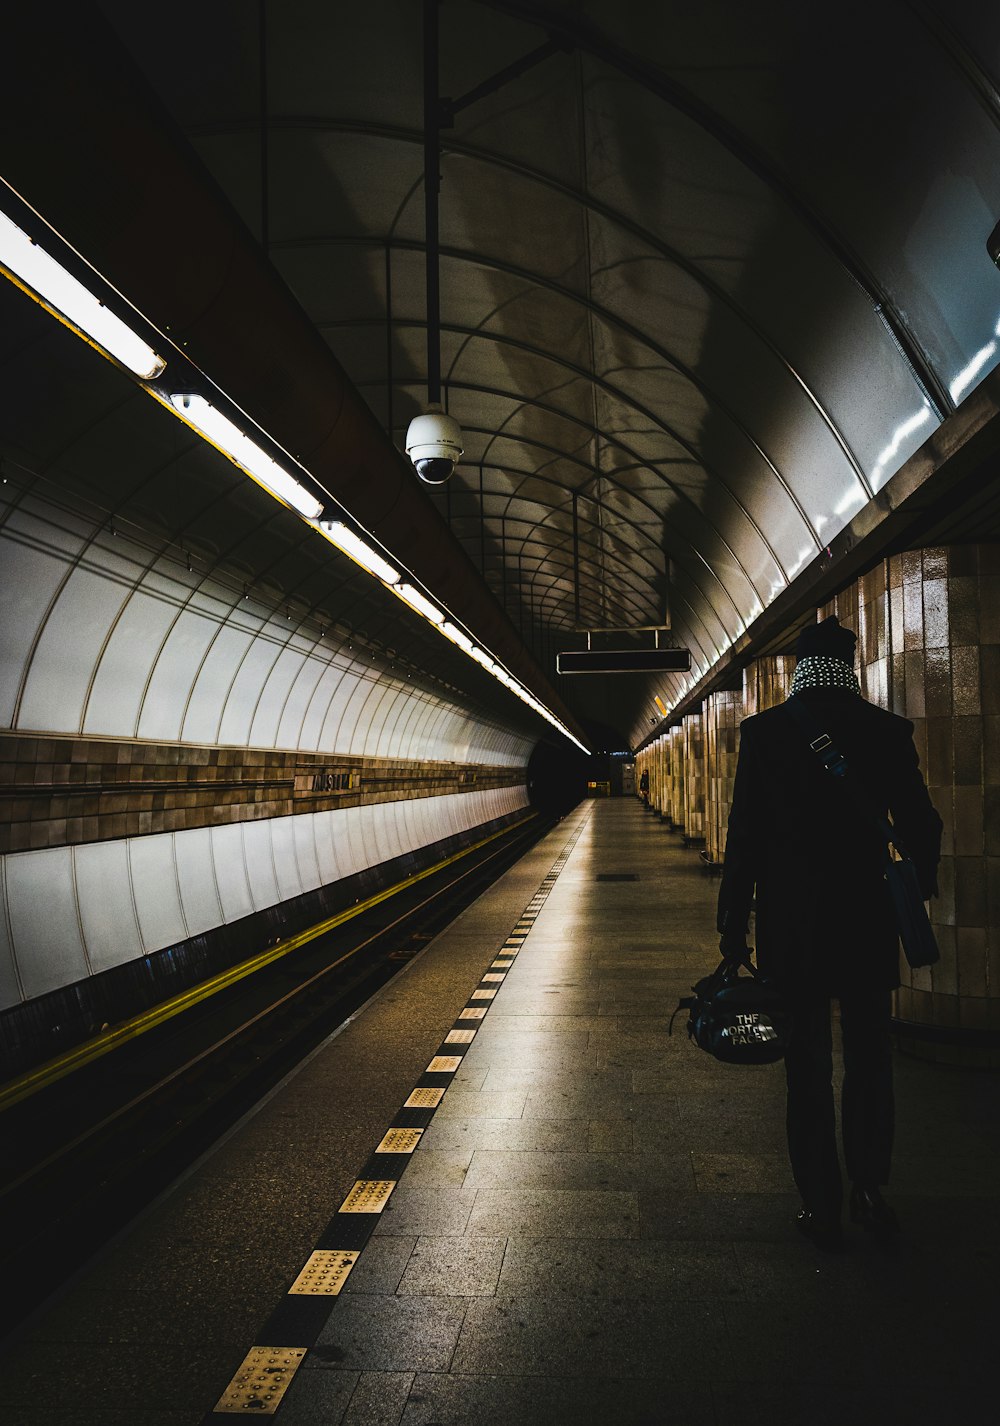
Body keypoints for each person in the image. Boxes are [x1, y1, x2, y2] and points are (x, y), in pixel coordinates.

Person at [717, 616, 942, 1250]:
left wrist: (733, 928)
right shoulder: (887, 732)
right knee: (872, 1058)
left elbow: (745, 841)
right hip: (868, 924)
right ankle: (870, 1188)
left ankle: (820, 1203)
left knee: (806, 1067)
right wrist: (915, 887)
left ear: (799, 669)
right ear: (849, 666)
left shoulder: (765, 736)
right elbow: (923, 824)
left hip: (793, 930)